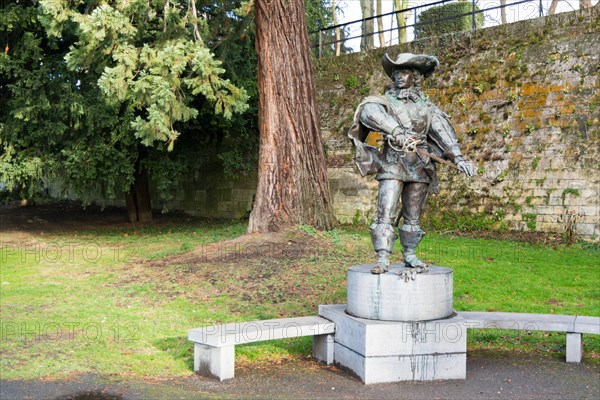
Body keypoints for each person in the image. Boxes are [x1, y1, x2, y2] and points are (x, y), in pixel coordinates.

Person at [348, 53, 475, 274]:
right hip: (392, 163)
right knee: (385, 212)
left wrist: (459, 158)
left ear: (414, 77)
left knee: (412, 216)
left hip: (420, 165)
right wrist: (395, 131)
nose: (398, 76)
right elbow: (368, 113)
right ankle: (383, 257)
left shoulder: (427, 107)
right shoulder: (384, 102)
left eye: (404, 72)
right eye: (395, 73)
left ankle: (410, 254)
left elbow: (442, 133)